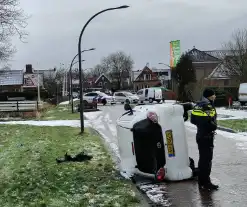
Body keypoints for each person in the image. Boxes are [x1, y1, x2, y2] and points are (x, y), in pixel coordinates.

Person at [191, 88, 219, 190]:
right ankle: (206, 183)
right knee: (206, 160)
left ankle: (202, 181)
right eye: (214, 95)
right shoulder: (207, 106)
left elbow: (193, 120)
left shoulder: (198, 104)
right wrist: (213, 127)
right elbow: (208, 121)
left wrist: (202, 126)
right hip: (207, 136)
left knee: (203, 159)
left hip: (200, 135)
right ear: (210, 96)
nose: (215, 96)